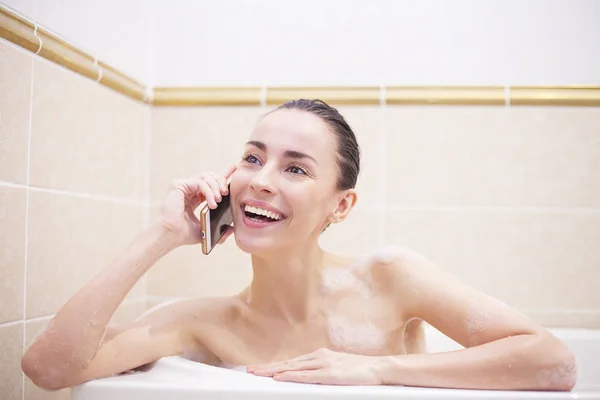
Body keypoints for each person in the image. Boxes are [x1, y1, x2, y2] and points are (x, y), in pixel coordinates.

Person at [22, 99, 576, 391]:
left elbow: (551, 362)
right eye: (253, 158)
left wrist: (375, 371)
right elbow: (49, 369)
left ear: (340, 206)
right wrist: (162, 235)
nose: (262, 180)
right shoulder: (204, 322)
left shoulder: (390, 279)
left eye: (295, 168)